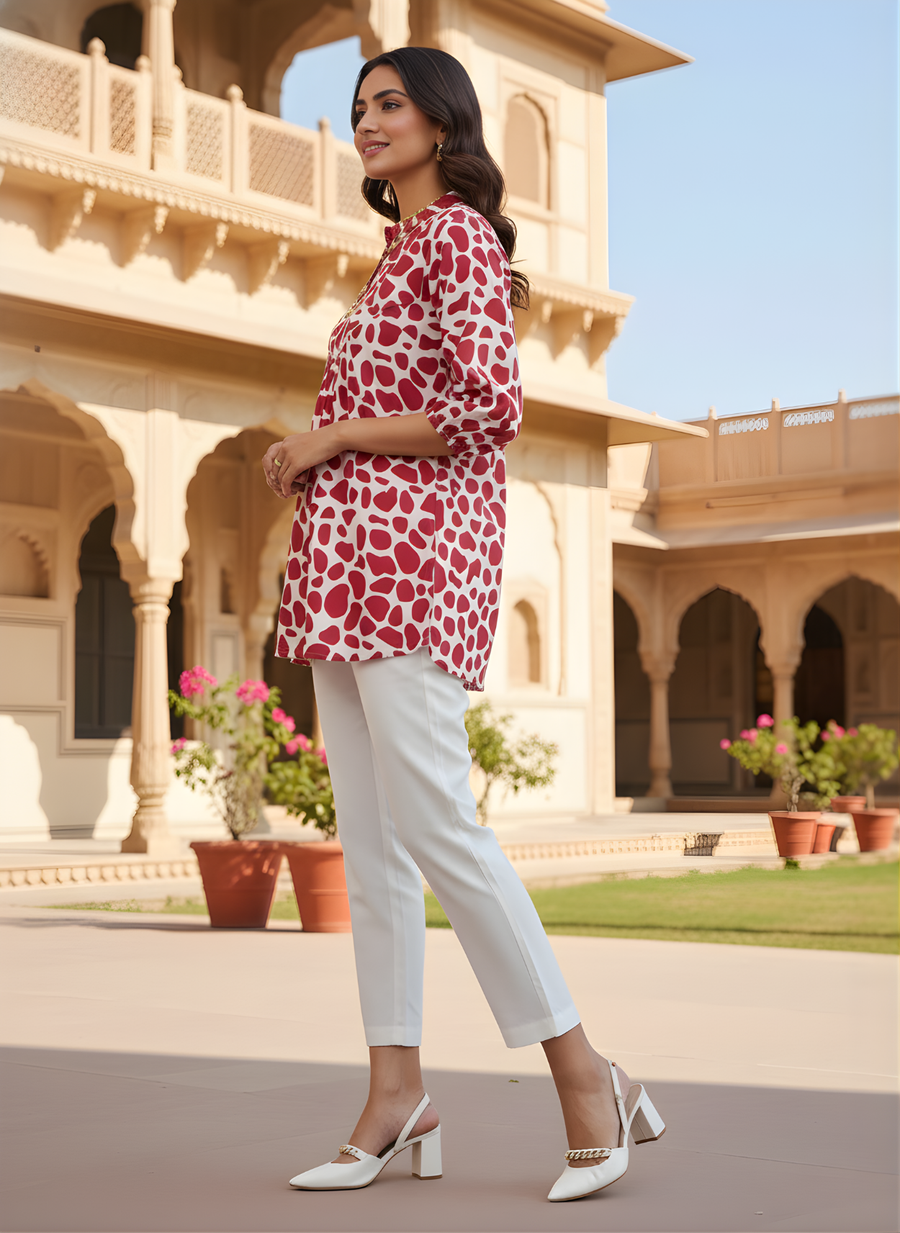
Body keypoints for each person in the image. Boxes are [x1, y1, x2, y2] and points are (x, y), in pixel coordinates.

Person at [261, 46, 664, 1203]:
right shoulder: (398, 255)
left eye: (390, 103)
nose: (367, 121)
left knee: (438, 825)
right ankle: (397, 1095)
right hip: (344, 574)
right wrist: (319, 448)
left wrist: (335, 436)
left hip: (412, 569)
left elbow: (489, 408)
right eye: (358, 108)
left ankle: (585, 1074)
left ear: (443, 123)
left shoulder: (456, 239)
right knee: (375, 844)